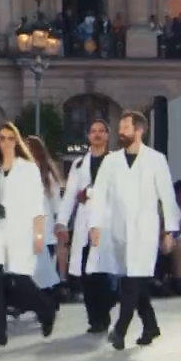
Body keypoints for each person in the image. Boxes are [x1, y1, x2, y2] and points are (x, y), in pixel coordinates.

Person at [89, 110, 180, 351]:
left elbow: (167, 197)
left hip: (145, 231)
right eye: (120, 127)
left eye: (126, 127)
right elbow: (99, 195)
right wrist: (95, 225)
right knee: (133, 280)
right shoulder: (111, 161)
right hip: (119, 231)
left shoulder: (156, 160)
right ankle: (150, 325)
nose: (121, 131)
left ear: (140, 130)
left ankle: (120, 329)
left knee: (133, 279)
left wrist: (170, 230)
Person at [0, 122, 53, 345]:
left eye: (11, 138)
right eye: (2, 138)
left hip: (20, 230)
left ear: (16, 141)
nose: (6, 142)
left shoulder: (28, 169)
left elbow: (38, 205)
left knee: (20, 280)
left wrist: (39, 236)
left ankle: (45, 309)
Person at [56, 118, 115, 333]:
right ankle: (95, 319)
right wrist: (62, 222)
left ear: (107, 136)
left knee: (105, 272)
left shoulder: (116, 162)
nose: (97, 134)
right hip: (85, 222)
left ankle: (106, 309)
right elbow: (70, 195)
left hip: (108, 222)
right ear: (89, 136)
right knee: (88, 273)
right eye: (93, 131)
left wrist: (91, 193)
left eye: (101, 131)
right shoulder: (79, 164)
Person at [21, 135, 65, 305]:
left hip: (46, 232)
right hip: (27, 230)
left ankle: (49, 299)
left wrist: (61, 224)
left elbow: (56, 203)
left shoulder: (47, 174)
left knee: (44, 270)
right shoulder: (21, 171)